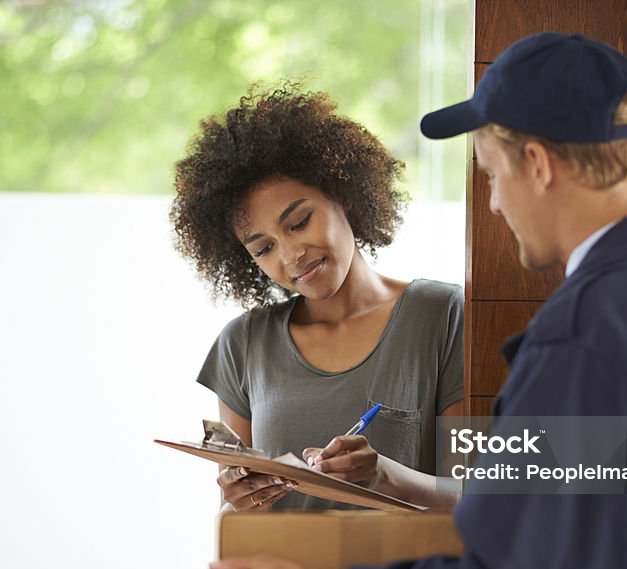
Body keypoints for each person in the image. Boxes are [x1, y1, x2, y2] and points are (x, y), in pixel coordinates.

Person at [200, 33, 627, 569]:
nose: (496, 202)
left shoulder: (585, 338)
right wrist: (384, 478)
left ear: (536, 163)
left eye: (493, 175)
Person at [171, 83, 465, 515]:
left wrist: (385, 475)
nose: (290, 256)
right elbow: (234, 519)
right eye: (263, 249)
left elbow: (480, 499)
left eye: (299, 222)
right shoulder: (243, 344)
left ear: (341, 193)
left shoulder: (441, 315)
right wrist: (238, 502)